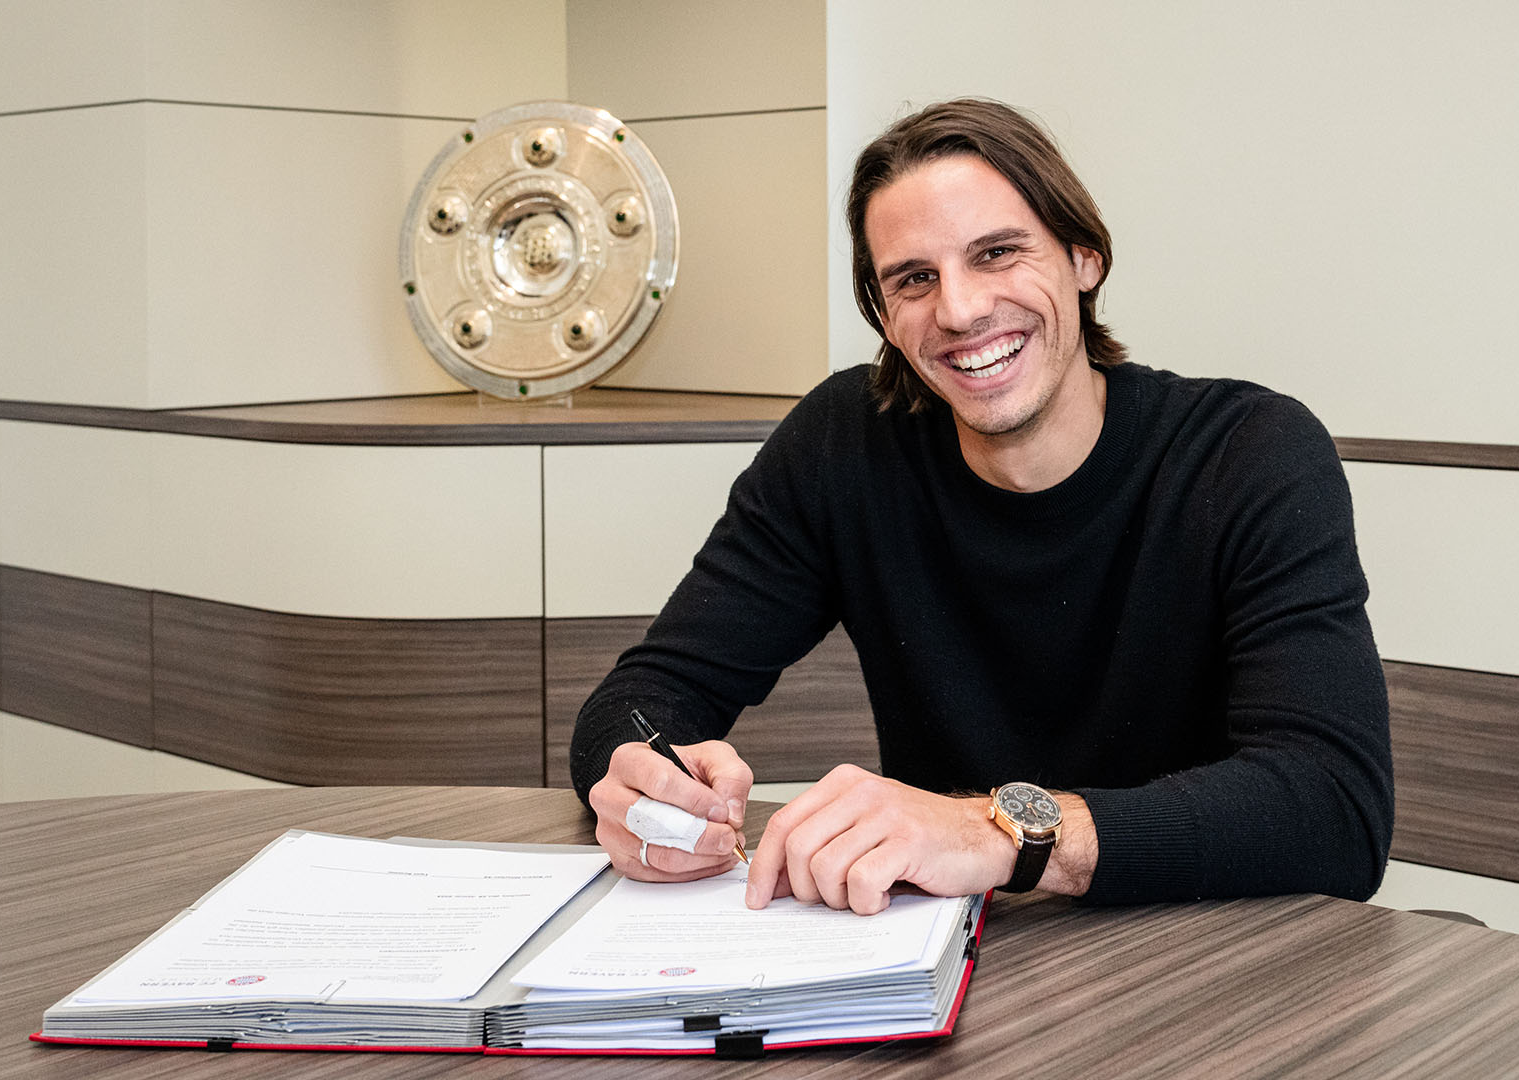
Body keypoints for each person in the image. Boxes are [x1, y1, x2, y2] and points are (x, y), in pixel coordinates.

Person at [571, 98, 1391, 915]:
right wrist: (644, 780)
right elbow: (651, 693)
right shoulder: (844, 444)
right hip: (950, 958)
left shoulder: (1250, 453)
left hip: (1218, 961)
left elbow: (1333, 810)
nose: (959, 311)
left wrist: (997, 834)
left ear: (1084, 258)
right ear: (885, 317)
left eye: (997, 254)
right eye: (914, 279)